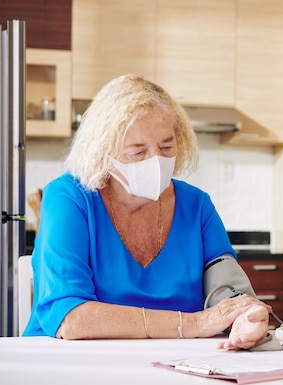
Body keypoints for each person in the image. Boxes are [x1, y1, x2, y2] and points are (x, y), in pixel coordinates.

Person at [23, 74, 270, 350]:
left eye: (166, 147)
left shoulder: (197, 206)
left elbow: (226, 293)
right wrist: (193, 324)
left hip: (174, 363)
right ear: (103, 151)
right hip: (66, 362)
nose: (156, 161)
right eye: (137, 152)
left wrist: (244, 318)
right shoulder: (68, 197)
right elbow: (70, 319)